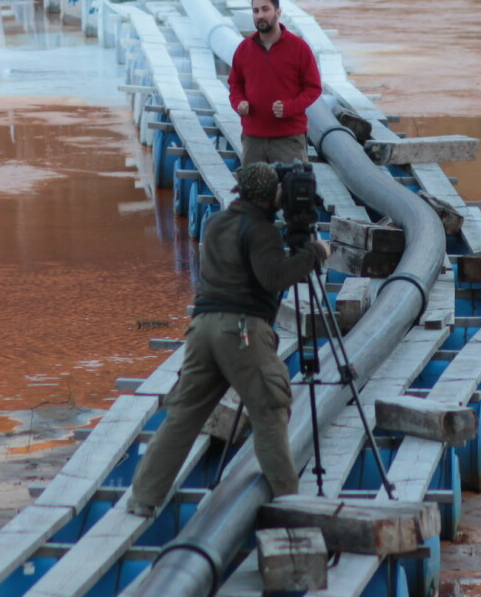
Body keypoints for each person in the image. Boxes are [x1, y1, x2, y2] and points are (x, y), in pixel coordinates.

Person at [124, 163, 330, 517]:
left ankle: (142, 497)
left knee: (184, 413)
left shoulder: (217, 222)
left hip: (202, 329)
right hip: (241, 332)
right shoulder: (261, 230)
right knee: (269, 407)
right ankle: (288, 500)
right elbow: (275, 277)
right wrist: (314, 254)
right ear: (270, 196)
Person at [227, 0, 322, 166]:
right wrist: (238, 103)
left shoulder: (299, 48)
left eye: (265, 9)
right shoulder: (244, 49)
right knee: (254, 193)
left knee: (292, 192)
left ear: (278, 12)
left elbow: (313, 88)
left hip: (289, 139)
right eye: (255, 11)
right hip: (253, 139)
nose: (260, 15)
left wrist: (290, 107)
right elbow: (234, 84)